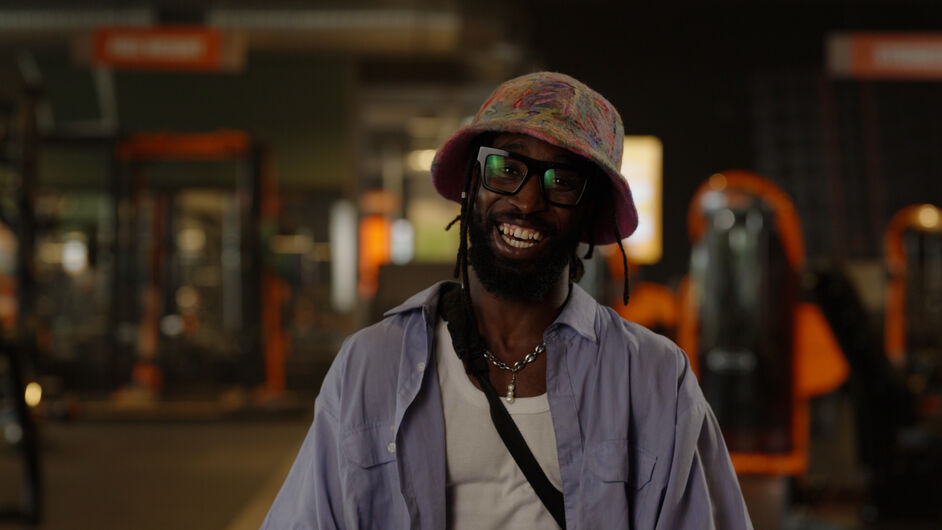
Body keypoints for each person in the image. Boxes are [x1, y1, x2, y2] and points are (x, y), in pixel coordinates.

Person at [263, 72, 752, 529]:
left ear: (589, 213)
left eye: (562, 181)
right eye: (506, 168)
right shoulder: (371, 367)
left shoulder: (655, 382)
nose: (527, 201)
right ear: (471, 185)